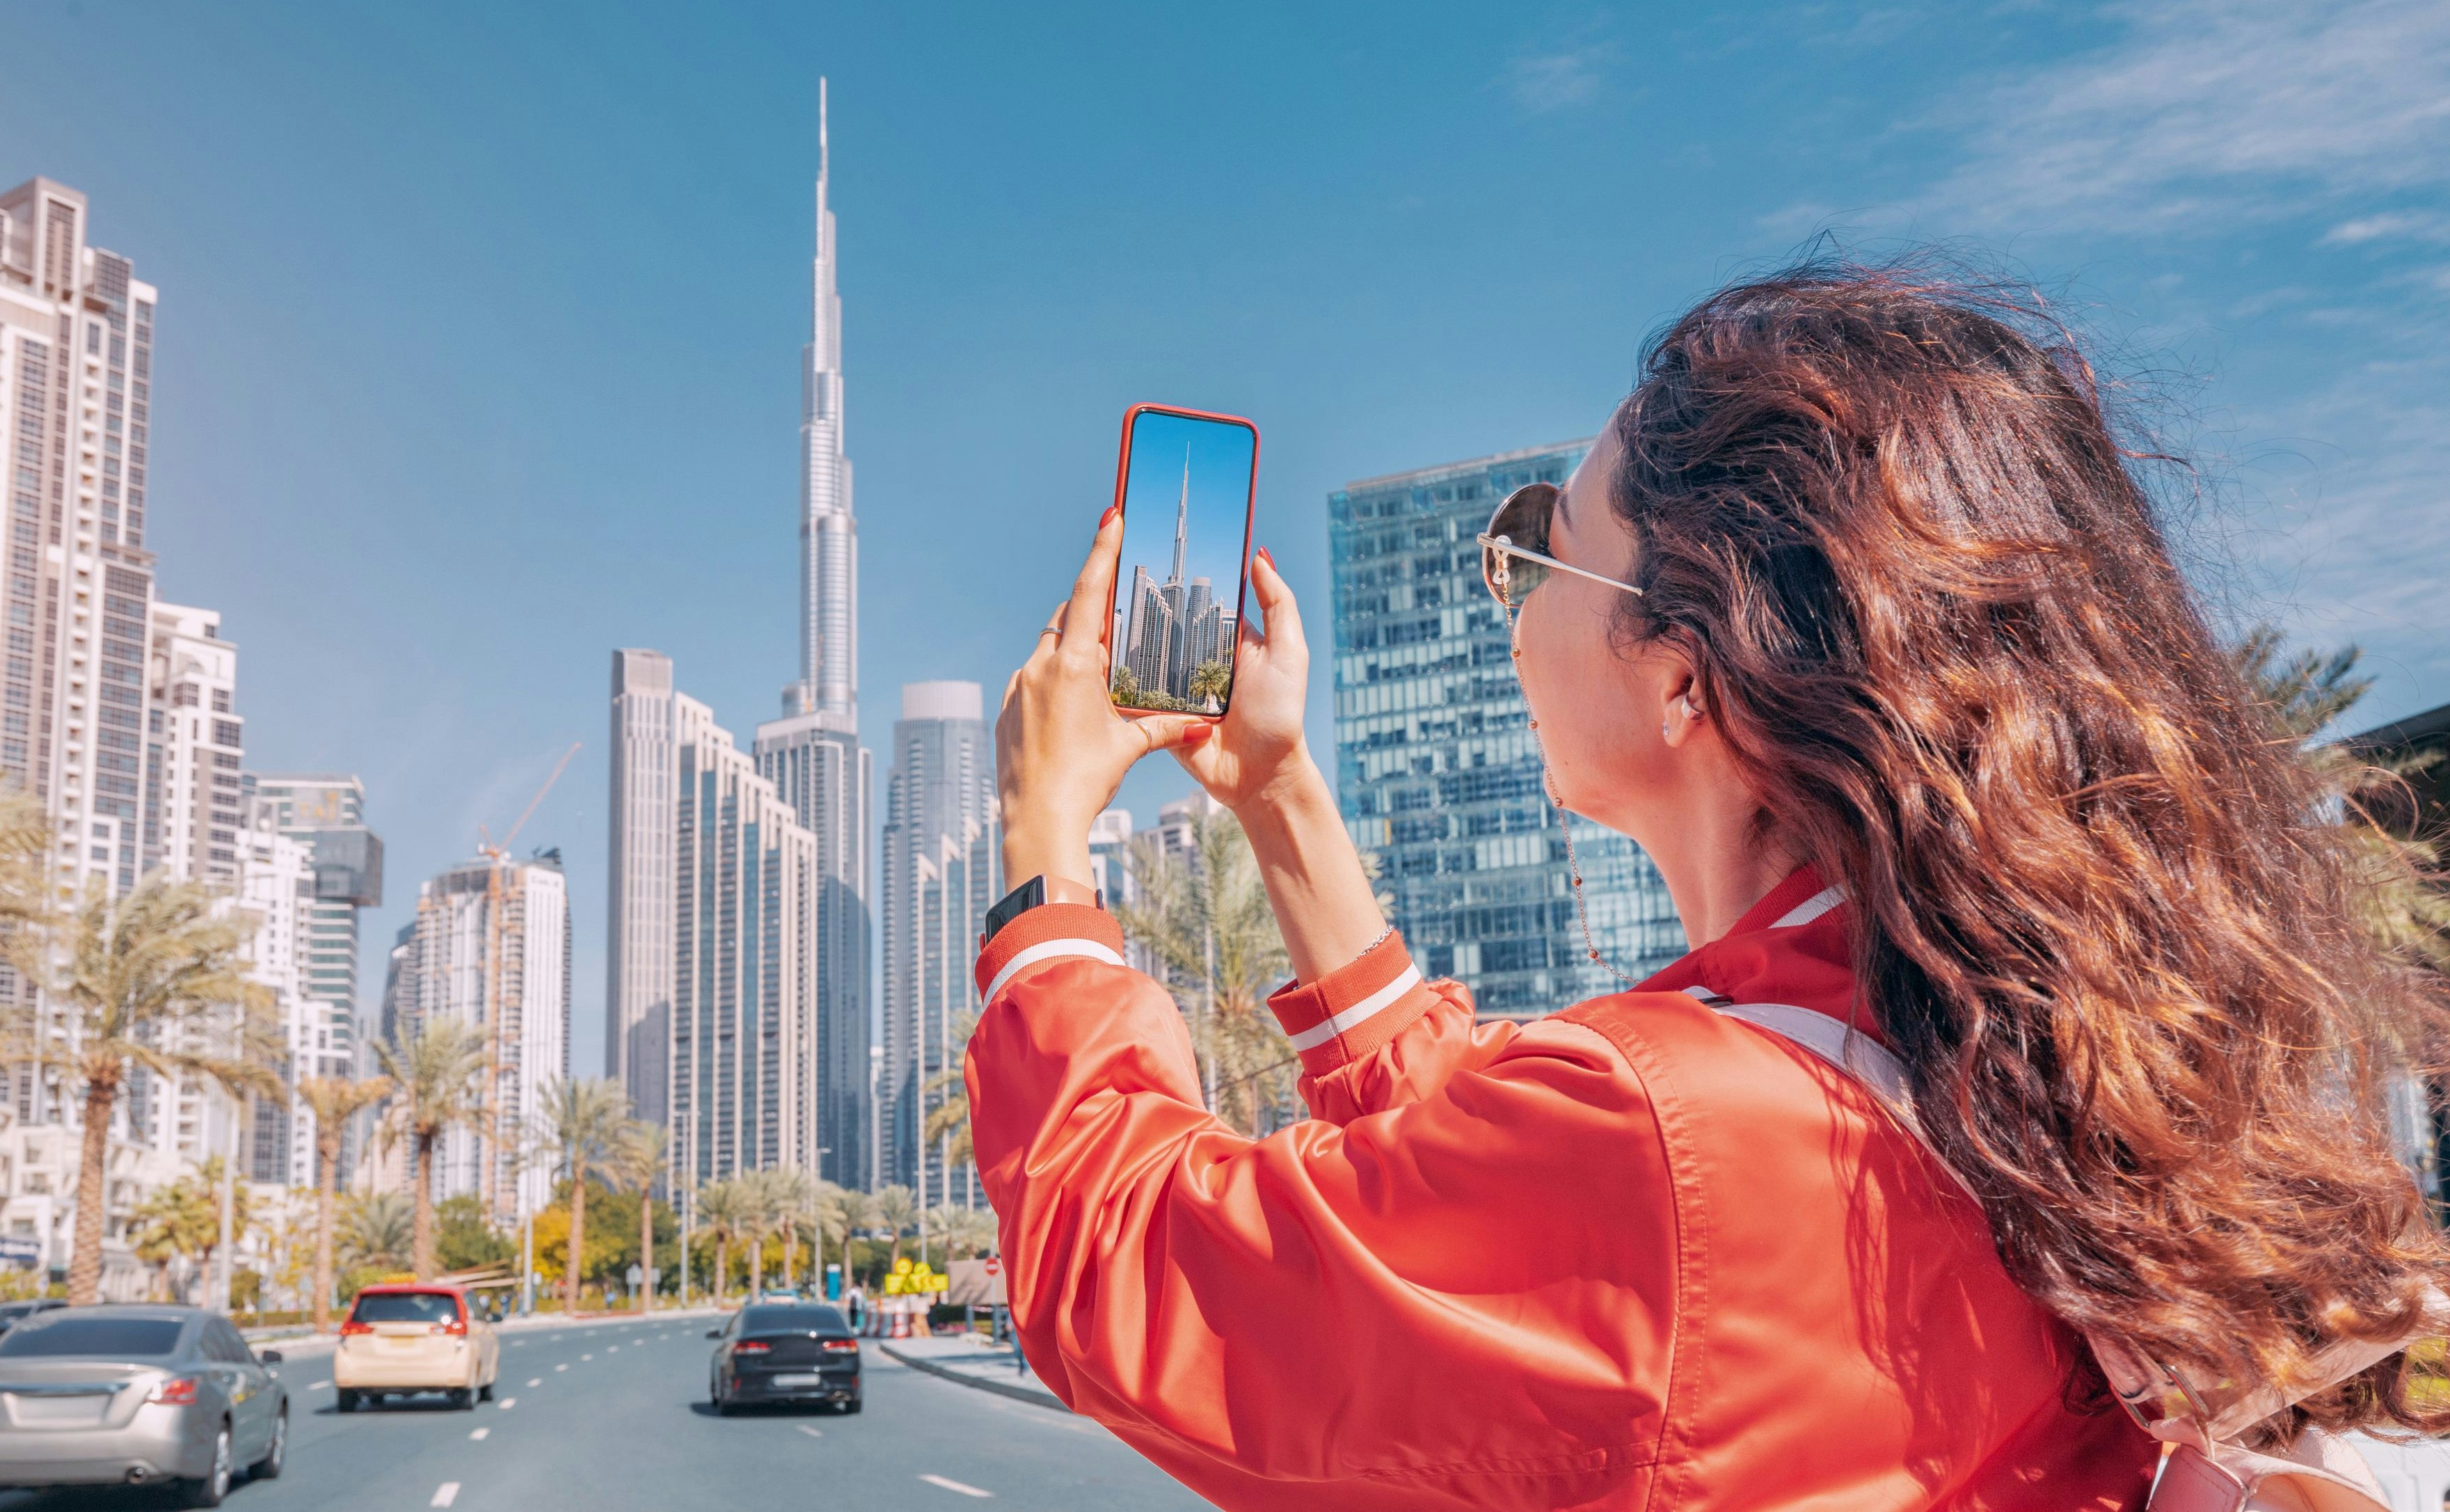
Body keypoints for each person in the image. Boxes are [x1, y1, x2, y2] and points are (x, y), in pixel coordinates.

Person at [968, 262, 2450, 1511]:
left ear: (1683, 673)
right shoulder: (1973, 1048)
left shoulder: (1681, 1141)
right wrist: (1285, 802)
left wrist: (1043, 843)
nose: (1514, 589)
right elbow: (1491, 1162)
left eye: (1544, 545)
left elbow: (1137, 1268)